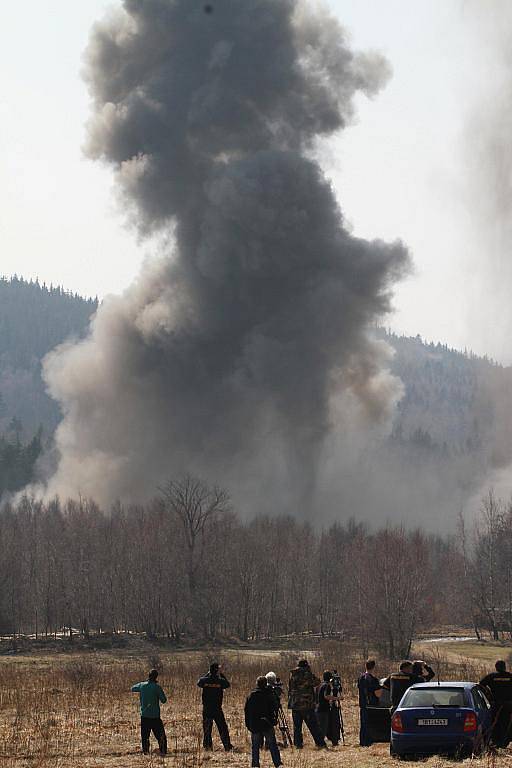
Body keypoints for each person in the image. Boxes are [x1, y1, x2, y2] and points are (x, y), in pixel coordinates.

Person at [244, 676, 283, 768]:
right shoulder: (269, 694)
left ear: (257, 683)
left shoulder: (251, 695)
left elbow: (246, 710)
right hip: (267, 723)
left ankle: (255, 764)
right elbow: (276, 707)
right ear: (266, 684)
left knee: (255, 746)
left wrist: (248, 724)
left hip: (254, 724)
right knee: (272, 744)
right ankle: (277, 763)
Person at [288, 659, 326, 749]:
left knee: (297, 727)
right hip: (306, 704)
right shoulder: (307, 674)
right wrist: (310, 672)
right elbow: (317, 682)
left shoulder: (293, 675)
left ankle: (298, 744)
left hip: (295, 704)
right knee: (313, 725)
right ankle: (320, 743)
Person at [197, 662, 233, 751]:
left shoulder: (204, 680)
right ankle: (227, 746)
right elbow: (227, 684)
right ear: (217, 671)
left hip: (207, 708)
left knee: (207, 728)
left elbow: (199, 683)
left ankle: (208, 747)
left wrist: (209, 673)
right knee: (222, 728)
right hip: (217, 708)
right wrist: (220, 674)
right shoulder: (220, 681)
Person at [131, 668, 168, 756]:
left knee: (145, 736)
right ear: (156, 677)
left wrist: (143, 684)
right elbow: (164, 700)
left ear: (148, 676)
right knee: (161, 736)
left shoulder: (142, 685)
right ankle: (163, 752)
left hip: (144, 716)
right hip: (155, 716)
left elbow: (132, 688)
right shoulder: (157, 687)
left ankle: (146, 752)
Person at [480, 660, 512, 747]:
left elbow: (481, 684)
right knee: (507, 723)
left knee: (495, 722)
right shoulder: (510, 676)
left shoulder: (491, 677)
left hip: (496, 704)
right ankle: (505, 742)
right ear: (504, 667)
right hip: (509, 705)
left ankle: (496, 741)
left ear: (496, 667)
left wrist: (488, 696)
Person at [357, 659, 383, 747]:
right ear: (374, 667)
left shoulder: (361, 678)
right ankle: (368, 742)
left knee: (363, 724)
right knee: (370, 724)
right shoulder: (373, 680)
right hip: (372, 706)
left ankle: (362, 741)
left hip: (363, 704)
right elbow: (378, 694)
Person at [316, 670, 340, 746]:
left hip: (318, 709)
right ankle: (321, 744)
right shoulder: (327, 685)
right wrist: (337, 698)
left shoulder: (319, 685)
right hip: (323, 710)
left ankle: (320, 743)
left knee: (321, 728)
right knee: (323, 728)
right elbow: (326, 696)